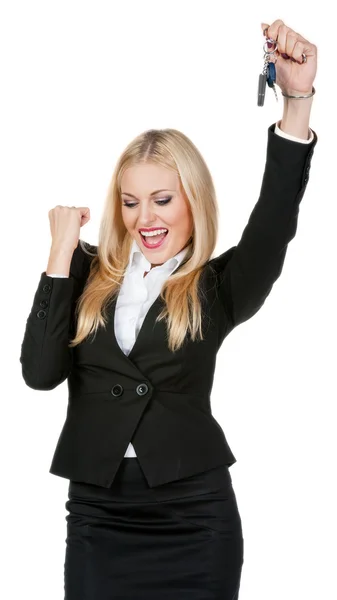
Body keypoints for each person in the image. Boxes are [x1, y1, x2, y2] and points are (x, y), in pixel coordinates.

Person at [20, 18, 318, 600]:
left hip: (194, 518)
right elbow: (39, 374)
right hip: (98, 518)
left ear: (191, 199)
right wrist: (58, 254)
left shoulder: (217, 287)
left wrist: (297, 100)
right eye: (131, 203)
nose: (145, 219)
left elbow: (276, 217)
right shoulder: (86, 272)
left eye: (162, 199)